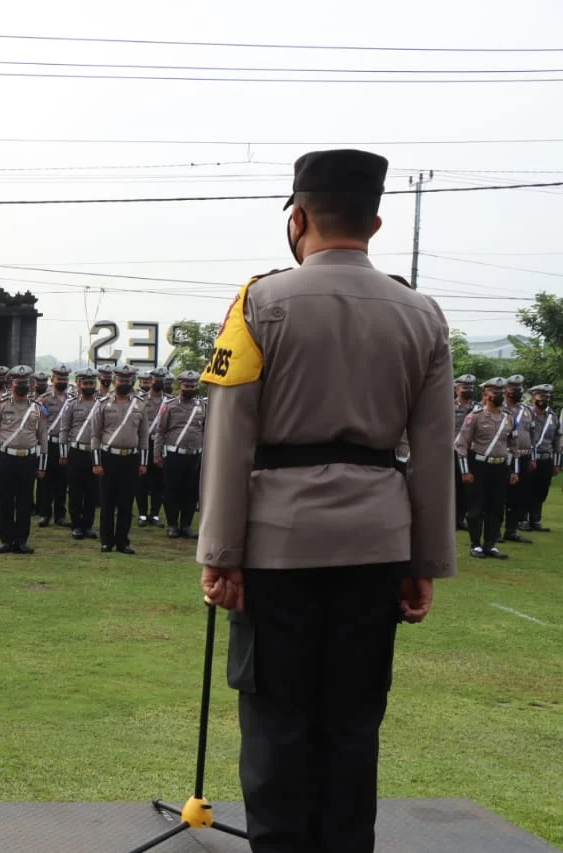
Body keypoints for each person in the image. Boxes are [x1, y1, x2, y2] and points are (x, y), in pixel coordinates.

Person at [197, 149, 455, 853]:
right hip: (377, 542)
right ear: (375, 220)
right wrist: (424, 560)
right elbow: (434, 451)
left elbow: (231, 434)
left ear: (298, 218)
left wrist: (220, 553)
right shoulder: (423, 314)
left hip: (278, 543)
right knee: (352, 724)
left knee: (277, 726)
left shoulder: (257, 302)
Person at [456, 377, 528, 559]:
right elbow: (462, 445)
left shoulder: (508, 419)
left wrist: (514, 471)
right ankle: (476, 544)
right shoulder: (475, 416)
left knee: (496, 506)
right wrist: (465, 471)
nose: (498, 395)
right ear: (486, 394)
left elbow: (514, 446)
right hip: (479, 466)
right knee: (476, 507)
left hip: (500, 467)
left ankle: (490, 544)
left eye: (500, 392)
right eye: (494, 392)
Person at [0, 365, 48, 554]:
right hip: (6, 458)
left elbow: (43, 437)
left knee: (25, 501)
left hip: (28, 460)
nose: (21, 385)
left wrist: (42, 465)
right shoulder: (0, 405)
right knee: (4, 500)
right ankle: (6, 540)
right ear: (11, 383)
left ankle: (21, 540)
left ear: (30, 384)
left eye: (24, 382)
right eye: (17, 382)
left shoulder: (37, 408)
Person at [91, 365, 149, 554]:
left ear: (132, 381)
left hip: (131, 458)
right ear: (114, 381)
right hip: (108, 458)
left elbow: (144, 436)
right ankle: (106, 541)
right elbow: (95, 435)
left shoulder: (140, 404)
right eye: (121, 380)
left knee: (126, 503)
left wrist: (143, 462)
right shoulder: (102, 403)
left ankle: (123, 541)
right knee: (107, 502)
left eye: (128, 380)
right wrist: (97, 462)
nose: (124, 383)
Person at [153, 370, 207, 539]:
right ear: (180, 386)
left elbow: (206, 431)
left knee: (191, 492)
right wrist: (157, 454)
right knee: (172, 491)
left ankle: (186, 525)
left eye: (193, 386)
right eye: (187, 386)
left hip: (195, 455)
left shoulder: (203, 406)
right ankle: (172, 525)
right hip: (174, 455)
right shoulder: (169, 405)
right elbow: (160, 431)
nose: (190, 388)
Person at [61, 367, 103, 541]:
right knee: (76, 490)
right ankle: (76, 525)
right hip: (76, 451)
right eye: (85, 383)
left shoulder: (102, 404)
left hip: (95, 453)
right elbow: (64, 429)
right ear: (78, 384)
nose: (88, 386)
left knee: (92, 491)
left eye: (91, 383)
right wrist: (64, 454)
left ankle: (88, 525)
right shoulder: (71, 404)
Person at [36, 364, 74, 528]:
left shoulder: (72, 399)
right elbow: (37, 421)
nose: (62, 381)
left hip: (65, 445)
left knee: (63, 481)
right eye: (60, 379)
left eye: (65, 379)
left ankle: (60, 515)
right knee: (45, 480)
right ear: (52, 380)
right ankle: (45, 514)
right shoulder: (44, 399)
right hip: (48, 444)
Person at [500, 374, 533, 543]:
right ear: (506, 390)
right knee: (500, 495)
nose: (518, 391)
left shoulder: (527, 411)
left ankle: (511, 530)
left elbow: (532, 435)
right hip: (506, 456)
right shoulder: (500, 408)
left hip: (524, 456)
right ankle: (495, 530)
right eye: (514, 388)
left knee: (519, 496)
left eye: (520, 388)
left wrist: (532, 457)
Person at [522, 384, 558, 531]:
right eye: (541, 396)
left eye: (547, 397)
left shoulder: (553, 417)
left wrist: (556, 463)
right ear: (533, 397)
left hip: (546, 458)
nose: (544, 399)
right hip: (530, 457)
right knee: (526, 488)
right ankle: (521, 519)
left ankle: (535, 520)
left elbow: (557, 440)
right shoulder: (526, 414)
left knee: (541, 489)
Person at [136, 366, 168, 528]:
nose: (158, 382)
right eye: (156, 380)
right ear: (150, 381)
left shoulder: (168, 401)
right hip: (144, 442)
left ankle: (154, 514)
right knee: (142, 479)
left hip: (160, 443)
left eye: (162, 380)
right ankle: (142, 513)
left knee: (159, 481)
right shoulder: (140, 400)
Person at [452, 373, 478, 529]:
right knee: (454, 486)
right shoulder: (449, 406)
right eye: (464, 387)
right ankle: (451, 519)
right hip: (454, 452)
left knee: (469, 488)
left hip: (472, 452)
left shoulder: (477, 408)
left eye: (470, 387)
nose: (467, 390)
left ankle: (461, 518)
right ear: (456, 390)